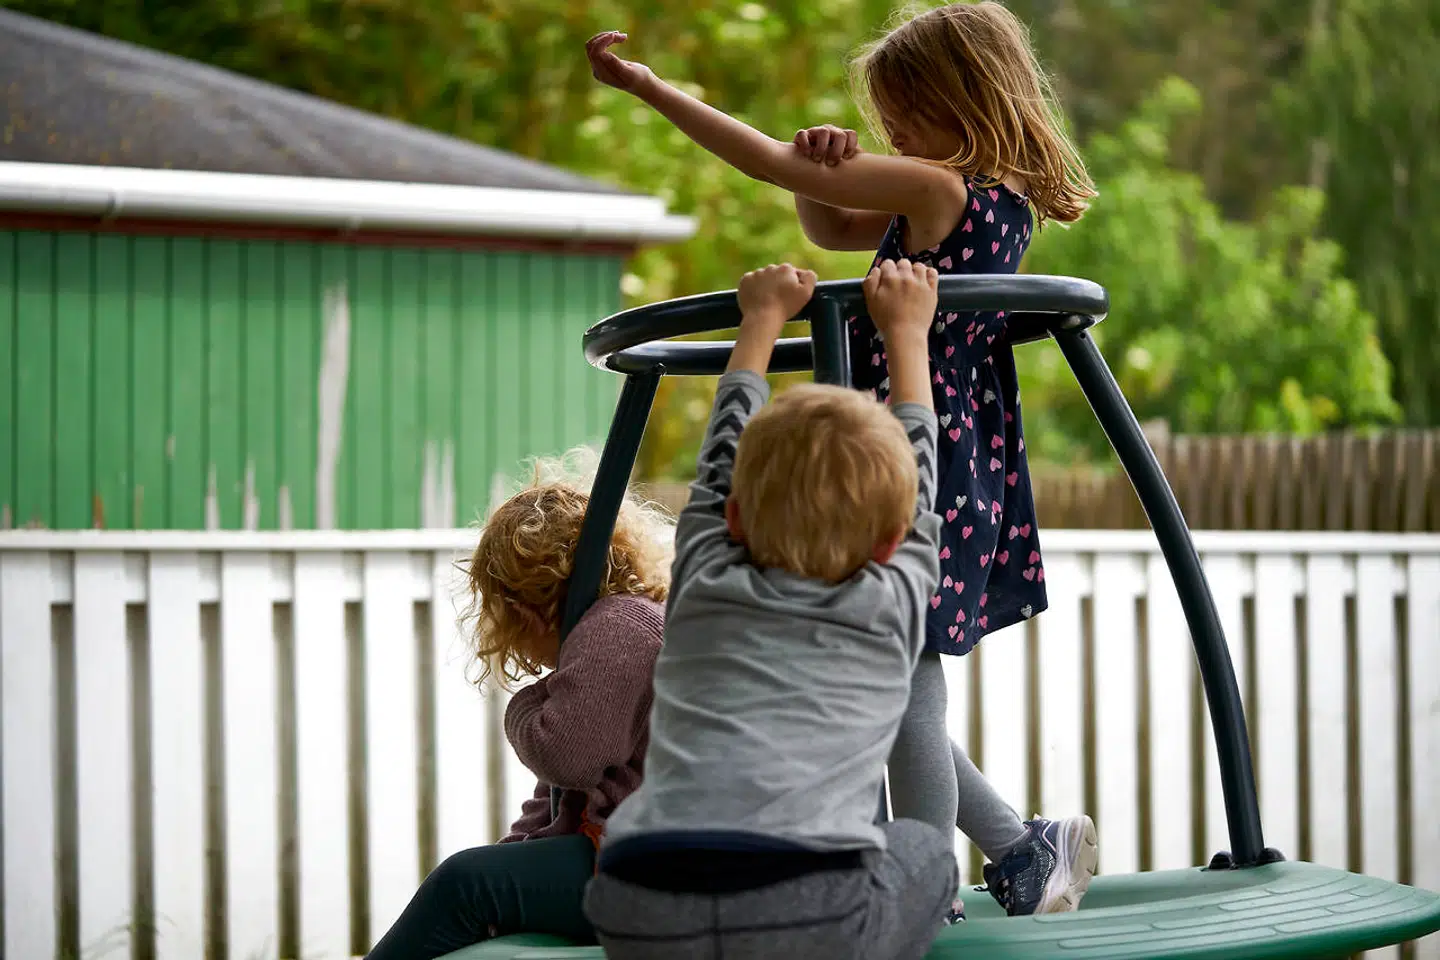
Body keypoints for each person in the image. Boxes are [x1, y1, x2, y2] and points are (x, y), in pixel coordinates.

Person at [584, 1, 1098, 917]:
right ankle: (1022, 849)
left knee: (907, 691)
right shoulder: (972, 196)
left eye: (909, 111)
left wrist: (652, 90)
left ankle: (929, 884)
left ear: (964, 98)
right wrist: (822, 175)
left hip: (914, 455)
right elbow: (828, 228)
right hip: (931, 449)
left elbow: (767, 163)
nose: (893, 130)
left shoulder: (947, 192)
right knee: (897, 687)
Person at [583, 259, 956, 960]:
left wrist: (759, 320)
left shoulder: (703, 575)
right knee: (922, 850)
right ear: (891, 542)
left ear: (730, 519)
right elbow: (921, 473)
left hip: (640, 899)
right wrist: (908, 333)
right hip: (808, 915)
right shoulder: (890, 598)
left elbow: (720, 456)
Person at [365, 457, 671, 959]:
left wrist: (528, 702)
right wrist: (512, 861)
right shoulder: (617, 631)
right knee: (477, 879)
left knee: (463, 883)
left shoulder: (618, 626)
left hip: (647, 871)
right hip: (624, 858)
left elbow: (565, 755)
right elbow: (554, 801)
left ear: (525, 606)